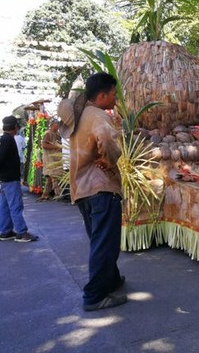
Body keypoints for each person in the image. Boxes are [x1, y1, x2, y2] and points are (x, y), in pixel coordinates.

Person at [58, 72, 127, 312]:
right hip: (100, 187)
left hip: (82, 189)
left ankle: (111, 280)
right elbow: (107, 139)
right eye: (113, 94)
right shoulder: (97, 115)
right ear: (102, 95)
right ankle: (94, 295)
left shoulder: (77, 117)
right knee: (105, 243)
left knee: (99, 240)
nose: (116, 99)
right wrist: (110, 160)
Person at [0, 115, 38, 243]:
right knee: (16, 205)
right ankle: (21, 232)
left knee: (4, 205)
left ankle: (5, 231)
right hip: (10, 179)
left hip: (4, 179)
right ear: (14, 127)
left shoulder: (3, 139)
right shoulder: (8, 140)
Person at [38, 119, 64, 201]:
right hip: (50, 158)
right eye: (57, 124)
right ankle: (58, 194)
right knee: (54, 176)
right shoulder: (48, 133)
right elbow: (44, 145)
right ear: (52, 125)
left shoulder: (57, 133)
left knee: (50, 177)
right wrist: (56, 147)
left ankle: (45, 194)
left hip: (56, 158)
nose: (58, 126)